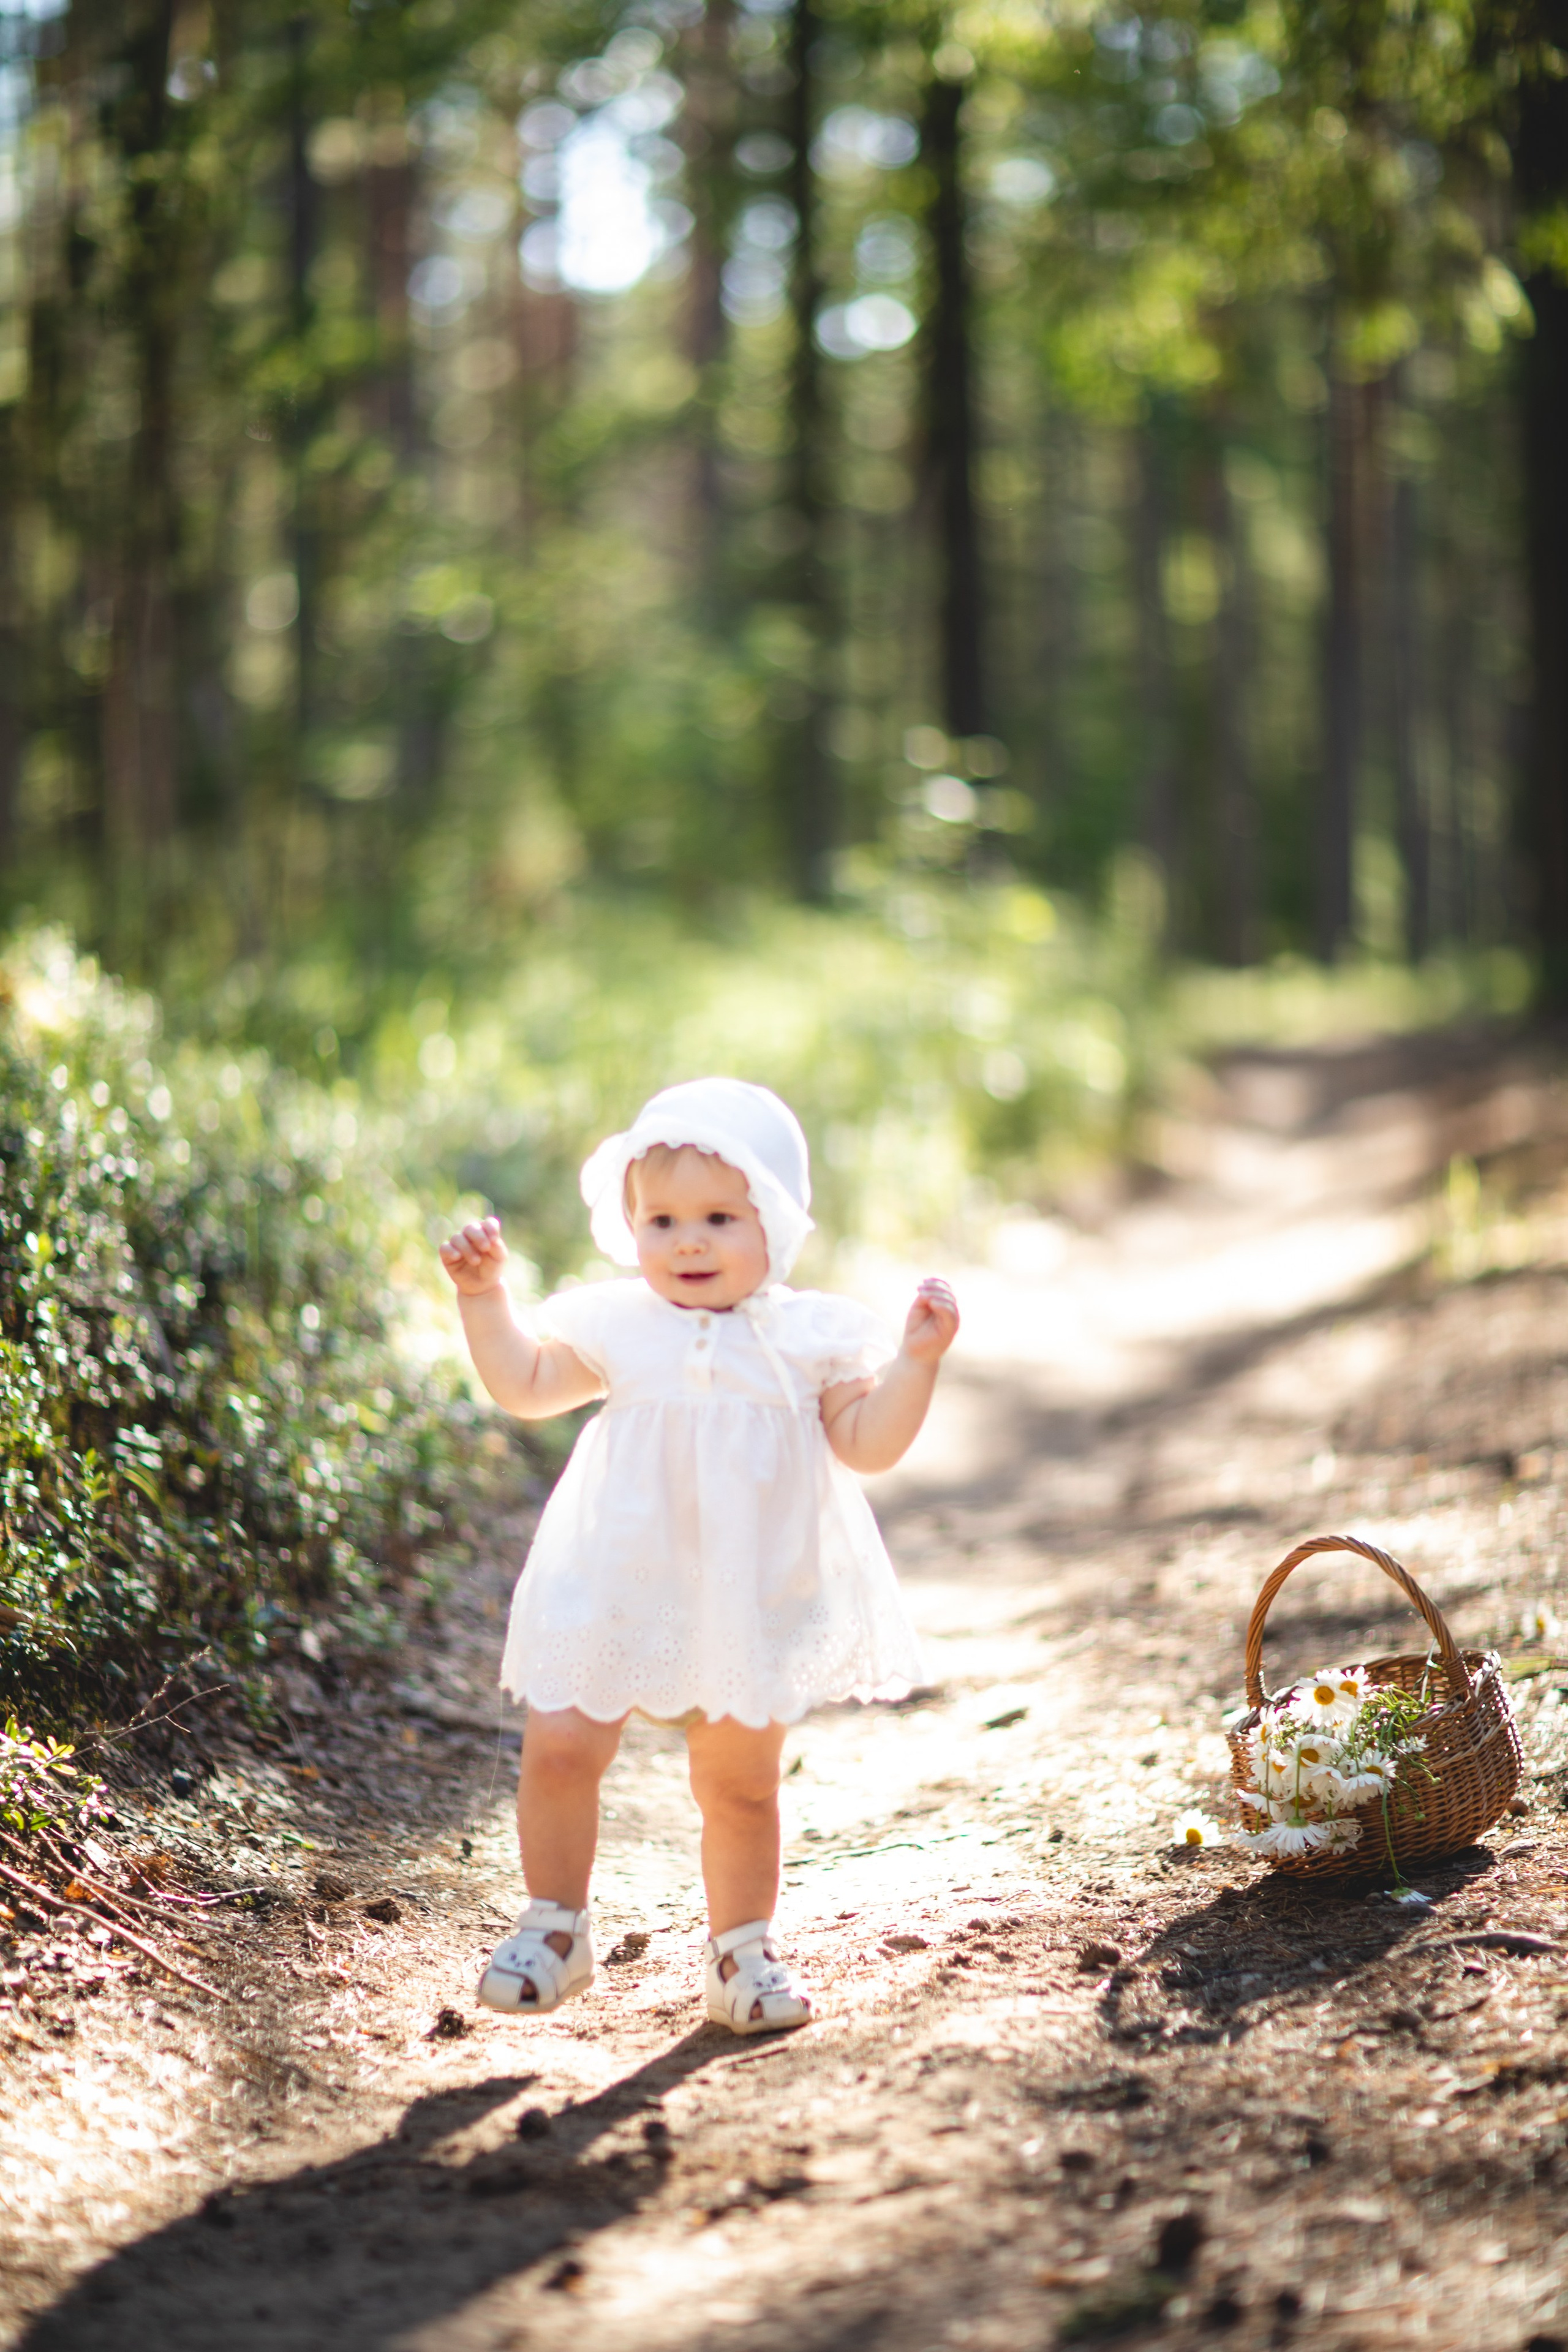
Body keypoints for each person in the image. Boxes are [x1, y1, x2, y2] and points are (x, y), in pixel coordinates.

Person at [439, 1077, 959, 2035]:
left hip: (741, 1593)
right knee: (560, 1743)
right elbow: (524, 1385)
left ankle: (742, 1952)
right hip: (614, 1574)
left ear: (778, 1225)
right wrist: (486, 1300)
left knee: (738, 1782)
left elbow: (868, 1446)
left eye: (721, 1217)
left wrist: (916, 1364)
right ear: (630, 1227)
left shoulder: (808, 1337)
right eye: (663, 1219)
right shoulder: (617, 1324)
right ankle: (556, 1926)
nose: (687, 1242)